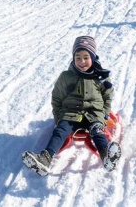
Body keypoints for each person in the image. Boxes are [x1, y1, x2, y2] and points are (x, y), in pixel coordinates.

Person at [22, 36, 122, 176]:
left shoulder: (100, 77)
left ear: (93, 57)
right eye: (78, 57)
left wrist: (103, 114)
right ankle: (45, 159)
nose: (82, 62)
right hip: (70, 113)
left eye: (86, 57)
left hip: (94, 113)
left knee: (98, 132)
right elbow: (57, 98)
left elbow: (107, 96)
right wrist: (58, 118)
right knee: (60, 132)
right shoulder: (66, 76)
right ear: (73, 58)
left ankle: (106, 156)